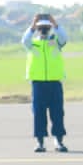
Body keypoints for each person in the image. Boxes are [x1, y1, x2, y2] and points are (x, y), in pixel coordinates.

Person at [22, 12, 69, 153]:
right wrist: (32, 25)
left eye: (46, 27)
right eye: (41, 27)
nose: (43, 30)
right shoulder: (33, 44)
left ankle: (58, 141)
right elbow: (24, 40)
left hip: (54, 83)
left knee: (57, 113)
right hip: (38, 84)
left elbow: (64, 37)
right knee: (39, 114)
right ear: (37, 28)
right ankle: (40, 142)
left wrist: (54, 23)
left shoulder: (56, 42)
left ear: (50, 28)